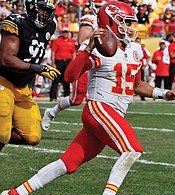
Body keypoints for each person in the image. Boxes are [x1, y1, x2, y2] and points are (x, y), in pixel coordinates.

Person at [1, 2, 175, 195]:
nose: (129, 27)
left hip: (114, 114)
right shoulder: (98, 46)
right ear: (111, 22)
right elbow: (69, 76)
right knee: (132, 149)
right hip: (99, 109)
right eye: (125, 22)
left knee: (67, 164)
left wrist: (164, 93)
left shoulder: (135, 49)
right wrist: (88, 48)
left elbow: (137, 85)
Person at [41, 0, 113, 131]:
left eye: (103, 6)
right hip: (89, 61)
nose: (101, 9)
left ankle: (101, 126)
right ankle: (51, 112)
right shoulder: (90, 19)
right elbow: (83, 40)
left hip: (104, 63)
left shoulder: (112, 21)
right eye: (98, 6)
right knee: (76, 98)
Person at [0, 0, 61, 151]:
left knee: (33, 137)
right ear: (32, 7)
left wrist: (31, 82)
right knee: (2, 134)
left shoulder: (50, 26)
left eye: (49, 11)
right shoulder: (16, 22)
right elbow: (6, 59)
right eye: (43, 10)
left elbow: (34, 55)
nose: (46, 15)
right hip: (4, 80)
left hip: (23, 86)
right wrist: (37, 68)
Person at [49, 26, 76, 102]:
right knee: (56, 79)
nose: (65, 34)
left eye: (67, 32)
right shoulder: (57, 41)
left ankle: (66, 96)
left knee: (67, 79)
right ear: (62, 32)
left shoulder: (72, 41)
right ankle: (53, 97)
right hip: (59, 61)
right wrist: (53, 63)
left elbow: (73, 53)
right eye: (64, 32)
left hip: (68, 61)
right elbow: (53, 52)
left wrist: (73, 63)